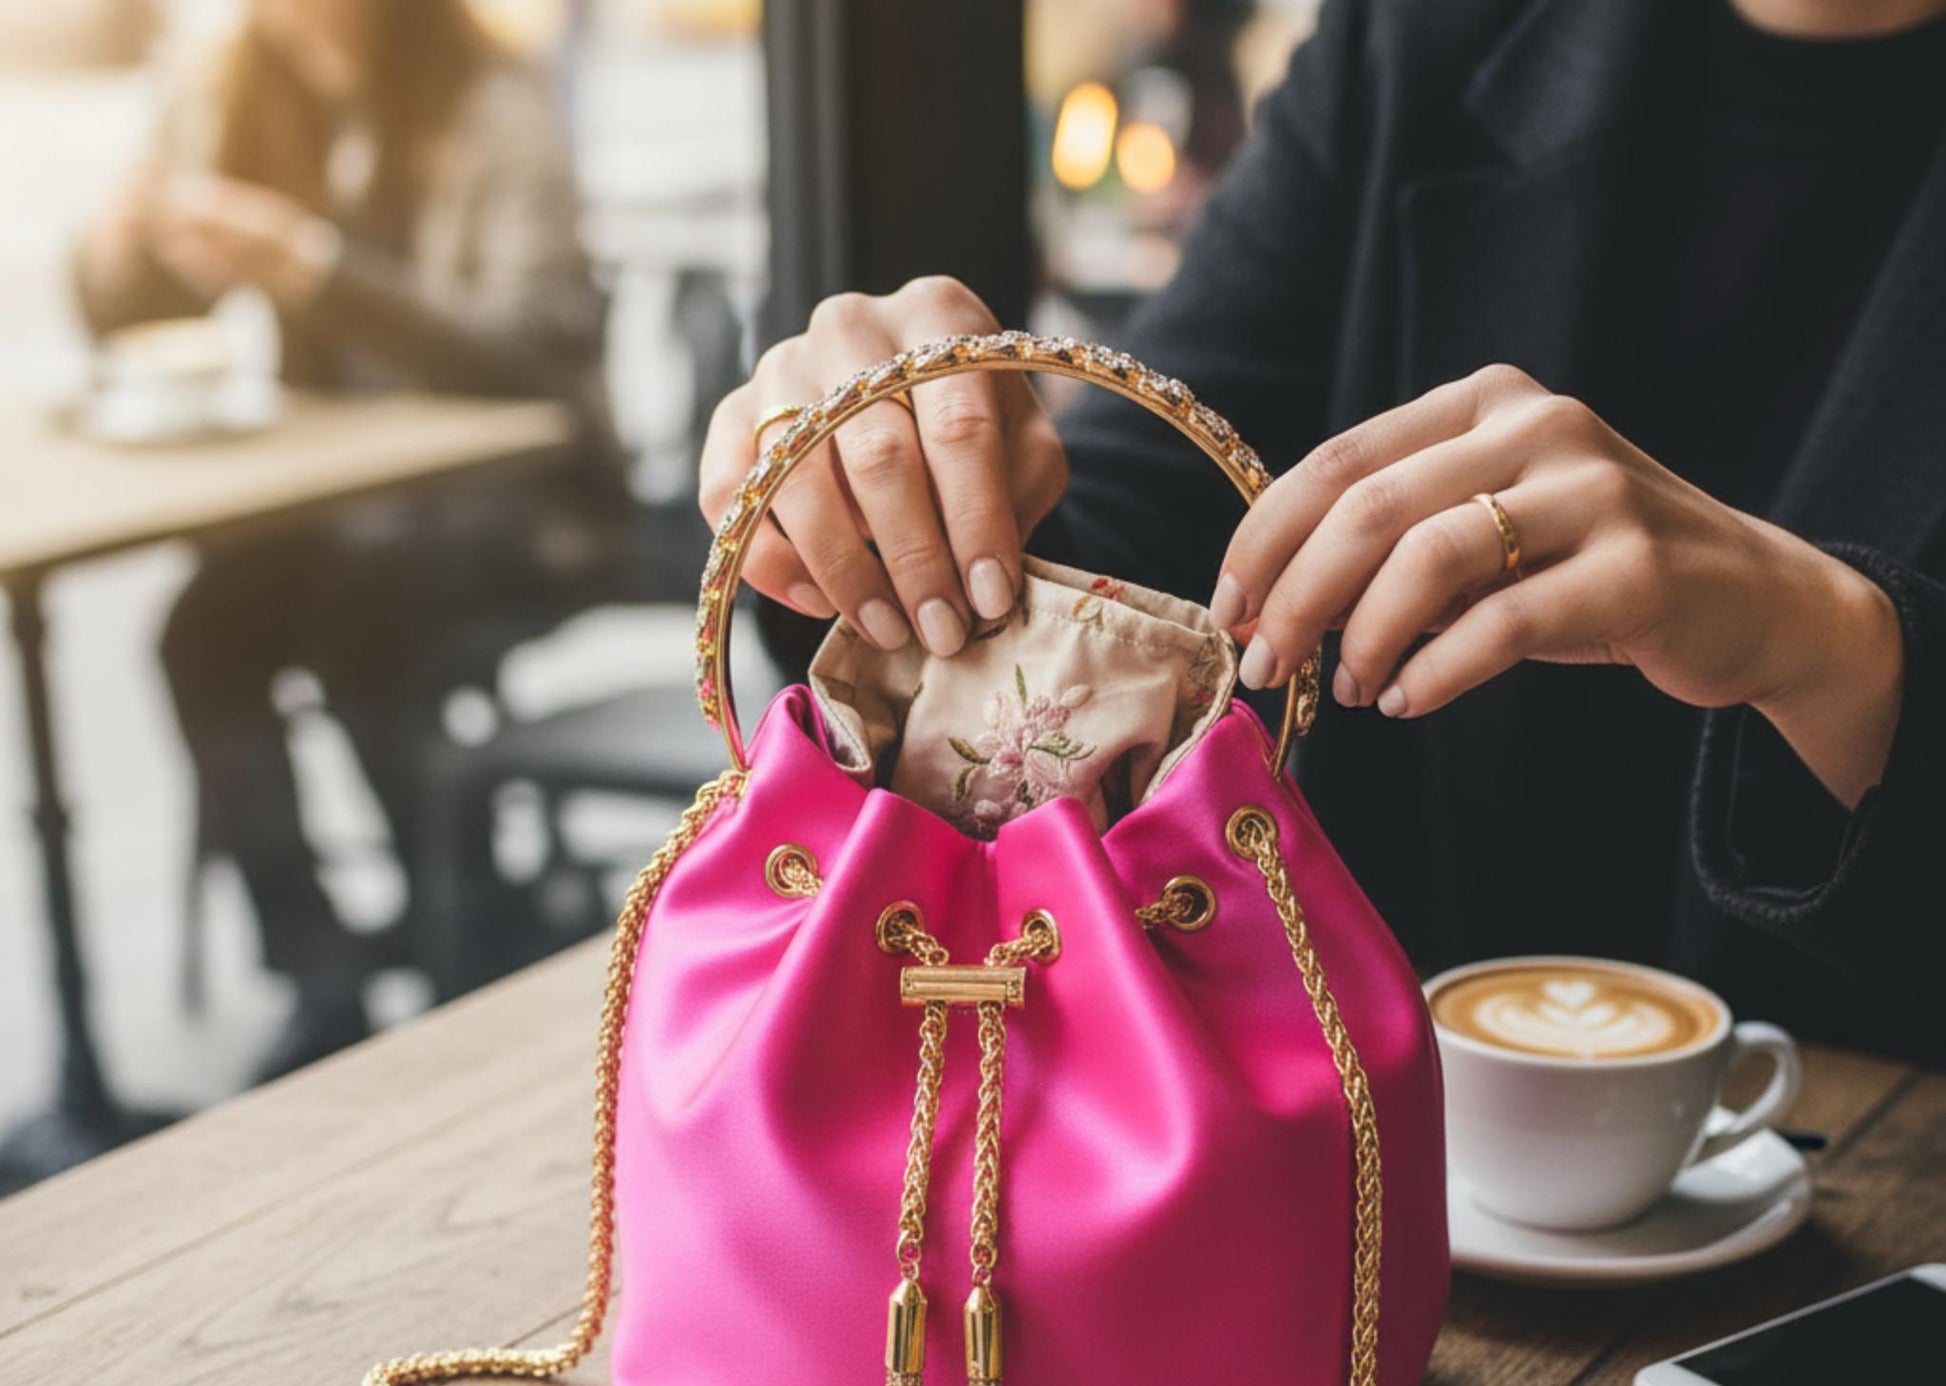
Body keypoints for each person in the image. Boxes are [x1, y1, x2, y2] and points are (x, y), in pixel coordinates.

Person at [701, 0, 1946, 1065]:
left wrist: (1842, 654)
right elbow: (1148, 551)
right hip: (1346, 1158)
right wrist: (891, 508)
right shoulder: (1430, 41)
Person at [76, 0, 624, 1074]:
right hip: (347, 508)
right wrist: (119, 242)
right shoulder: (237, 90)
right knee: (204, 633)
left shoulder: (490, 101)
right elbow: (133, 314)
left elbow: (531, 348)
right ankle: (318, 967)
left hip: (519, 502)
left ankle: (461, 929)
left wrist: (313, 267)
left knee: (368, 621)